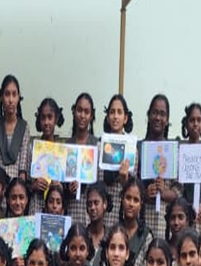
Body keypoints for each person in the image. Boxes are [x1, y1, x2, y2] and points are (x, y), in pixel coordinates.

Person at [141, 94, 181, 237]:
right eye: (155, 113)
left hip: (166, 225)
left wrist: (164, 193)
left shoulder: (173, 152)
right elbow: (130, 186)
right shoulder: (140, 149)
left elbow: (179, 190)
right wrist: (144, 194)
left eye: (162, 114)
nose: (158, 118)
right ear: (149, 115)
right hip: (142, 221)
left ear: (167, 120)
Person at [101, 94, 136, 230]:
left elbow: (134, 186)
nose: (115, 116)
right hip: (102, 213)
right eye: (112, 112)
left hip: (123, 212)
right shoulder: (100, 145)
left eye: (119, 112)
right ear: (108, 117)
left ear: (125, 118)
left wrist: (124, 181)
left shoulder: (131, 148)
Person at [65, 93, 98, 228]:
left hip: (91, 209)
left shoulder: (97, 145)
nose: (82, 115)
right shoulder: (67, 145)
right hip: (71, 208)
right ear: (73, 112)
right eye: (79, 110)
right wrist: (69, 189)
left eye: (86, 112)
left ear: (91, 116)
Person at [0, 75, 31, 181]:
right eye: (7, 94)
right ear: (1, 97)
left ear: (19, 97)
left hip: (17, 188)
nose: (11, 100)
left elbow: (23, 169)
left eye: (14, 94)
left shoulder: (24, 127)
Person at [29, 97, 65, 214]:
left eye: (50, 117)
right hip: (37, 204)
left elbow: (68, 186)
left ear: (56, 119)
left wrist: (60, 186)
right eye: (43, 118)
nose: (46, 122)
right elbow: (24, 185)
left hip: (56, 208)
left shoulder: (62, 150)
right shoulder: (33, 148)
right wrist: (34, 185)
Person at [116, 178, 153, 266]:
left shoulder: (146, 237)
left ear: (141, 204)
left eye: (135, 200)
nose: (131, 204)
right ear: (122, 199)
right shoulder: (114, 233)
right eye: (128, 198)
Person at [167, 197, 197, 266]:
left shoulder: (197, 249)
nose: (176, 222)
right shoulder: (164, 250)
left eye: (180, 217)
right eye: (172, 218)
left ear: (188, 220)